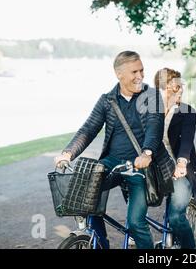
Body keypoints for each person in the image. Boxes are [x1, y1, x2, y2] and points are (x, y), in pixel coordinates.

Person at [53, 50, 175, 249]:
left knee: (136, 223)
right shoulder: (107, 100)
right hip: (112, 162)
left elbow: (155, 127)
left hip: (140, 167)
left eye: (142, 71)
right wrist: (67, 153)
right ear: (119, 74)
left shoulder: (151, 96)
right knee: (85, 195)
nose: (140, 76)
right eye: (134, 72)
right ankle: (98, 243)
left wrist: (147, 153)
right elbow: (88, 129)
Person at [154, 68, 196, 249]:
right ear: (164, 87)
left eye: (181, 85)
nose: (181, 88)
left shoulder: (187, 111)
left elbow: (187, 141)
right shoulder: (152, 111)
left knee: (176, 217)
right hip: (155, 169)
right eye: (176, 86)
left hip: (180, 170)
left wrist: (181, 162)